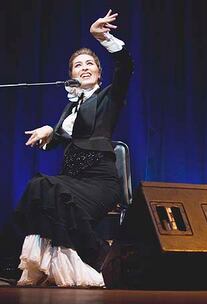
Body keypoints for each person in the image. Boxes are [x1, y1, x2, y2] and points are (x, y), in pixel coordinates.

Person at [14, 10, 133, 287]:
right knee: (38, 187)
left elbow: (126, 67)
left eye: (90, 63)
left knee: (51, 190)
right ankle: (36, 263)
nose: (84, 68)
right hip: (73, 180)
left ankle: (100, 258)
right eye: (78, 65)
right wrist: (49, 130)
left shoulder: (108, 98)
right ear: (71, 75)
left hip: (100, 181)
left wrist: (103, 37)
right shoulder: (70, 107)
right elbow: (62, 137)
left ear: (99, 72)